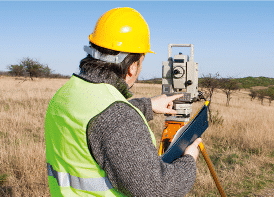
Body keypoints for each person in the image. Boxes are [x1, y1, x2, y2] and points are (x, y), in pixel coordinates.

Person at [45, 7, 202, 196]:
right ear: (133, 67)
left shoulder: (65, 94)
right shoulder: (117, 118)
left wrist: (148, 105)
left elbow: (95, 121)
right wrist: (189, 162)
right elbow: (157, 190)